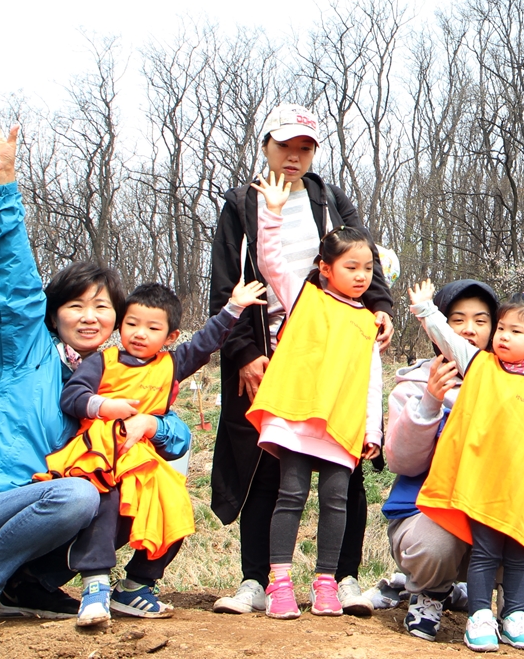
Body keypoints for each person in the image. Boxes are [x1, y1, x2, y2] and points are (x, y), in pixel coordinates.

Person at [0, 113, 189, 636]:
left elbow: (172, 433)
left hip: (37, 524)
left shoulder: (116, 376)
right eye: (75, 306)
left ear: (117, 318)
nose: (89, 317)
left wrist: (155, 427)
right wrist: (4, 182)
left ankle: (28, 587)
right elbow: (17, 280)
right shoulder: (30, 351)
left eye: (102, 307)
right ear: (54, 315)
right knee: (78, 493)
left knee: (132, 488)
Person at [210, 104, 394, 616]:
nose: (294, 156)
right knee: (266, 467)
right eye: (285, 145)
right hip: (269, 350)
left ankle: (342, 576)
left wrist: (379, 308)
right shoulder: (240, 203)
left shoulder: (329, 199)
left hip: (336, 347)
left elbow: (365, 258)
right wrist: (244, 352)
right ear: (265, 144)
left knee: (343, 473)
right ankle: (258, 579)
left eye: (305, 147)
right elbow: (232, 277)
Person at [42, 280, 265, 625]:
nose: (140, 334)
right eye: (131, 324)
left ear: (170, 336)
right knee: (107, 507)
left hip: (143, 455)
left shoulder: (171, 365)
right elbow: (71, 397)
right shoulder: (104, 361)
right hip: (100, 452)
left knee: (174, 508)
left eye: (152, 327)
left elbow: (206, 342)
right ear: (120, 325)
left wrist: (233, 307)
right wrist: (104, 406)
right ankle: (95, 587)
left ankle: (137, 584)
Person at [246, 173, 384, 619]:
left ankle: (326, 583)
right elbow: (271, 262)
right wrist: (271, 212)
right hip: (297, 416)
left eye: (367, 268)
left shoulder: (371, 323)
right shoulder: (301, 297)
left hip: (342, 424)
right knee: (290, 494)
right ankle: (280, 583)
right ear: (326, 268)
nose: (361, 276)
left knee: (336, 500)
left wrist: (373, 429)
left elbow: (372, 380)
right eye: (351, 267)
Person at [409, 283, 524, 652]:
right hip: (482, 483)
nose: (502, 337)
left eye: (515, 332)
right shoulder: (479, 365)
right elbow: (449, 341)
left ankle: (515, 614)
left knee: (520, 553)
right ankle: (480, 615)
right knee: (485, 552)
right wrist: (425, 309)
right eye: (500, 328)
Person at [382, 280, 497, 640]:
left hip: (488, 510)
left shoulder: (508, 383)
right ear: (439, 328)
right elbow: (403, 463)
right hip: (427, 514)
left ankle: (514, 606)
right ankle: (428, 593)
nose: (469, 329)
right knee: (438, 541)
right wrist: (431, 401)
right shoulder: (412, 385)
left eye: (481, 320)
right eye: (457, 319)